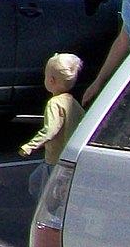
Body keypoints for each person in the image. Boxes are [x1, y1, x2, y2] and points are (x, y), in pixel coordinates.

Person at [19, 52, 84, 198]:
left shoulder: (54, 103)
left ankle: (48, 210)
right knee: (36, 181)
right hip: (66, 156)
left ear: (51, 80)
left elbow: (50, 130)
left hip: (54, 159)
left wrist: (30, 146)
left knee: (46, 193)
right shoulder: (72, 101)